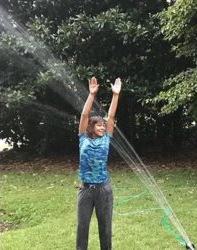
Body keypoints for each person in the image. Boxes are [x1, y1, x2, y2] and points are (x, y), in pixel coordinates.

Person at [76, 76, 122, 250]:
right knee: (82, 228)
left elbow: (111, 115)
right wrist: (91, 94)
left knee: (105, 228)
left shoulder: (106, 139)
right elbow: (84, 114)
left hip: (104, 189)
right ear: (91, 127)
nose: (103, 127)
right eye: (99, 125)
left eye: (104, 125)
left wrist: (115, 95)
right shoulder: (83, 138)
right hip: (85, 189)